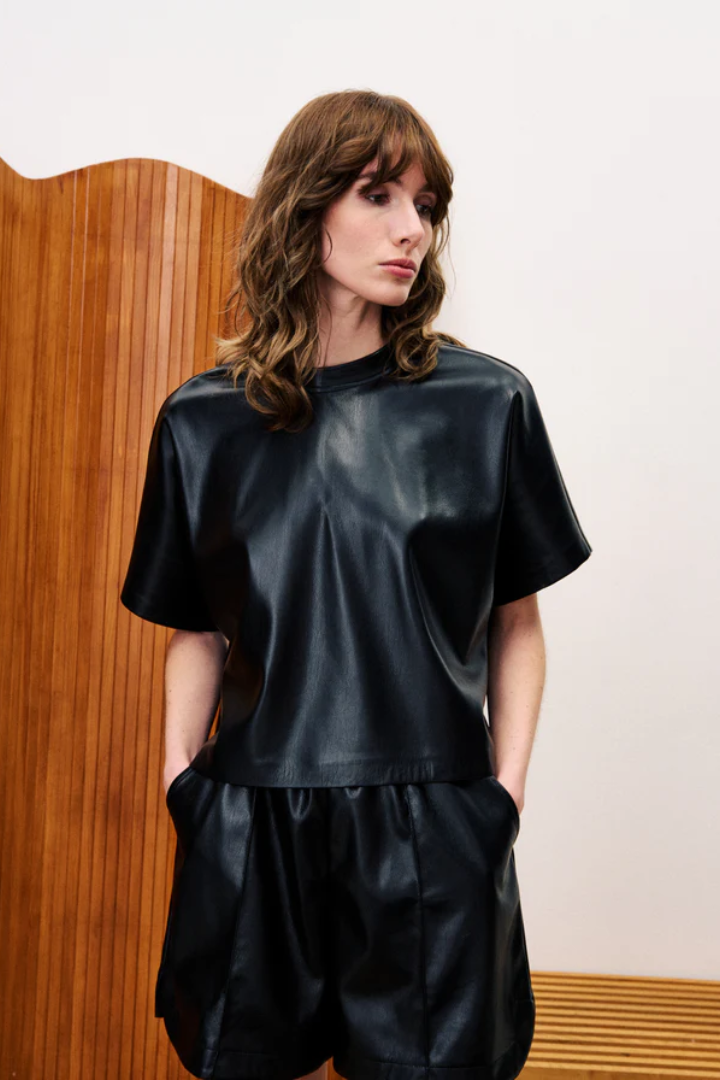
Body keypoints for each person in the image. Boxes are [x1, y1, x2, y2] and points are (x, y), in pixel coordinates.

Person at [121, 89, 592, 1080]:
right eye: (379, 195)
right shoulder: (202, 423)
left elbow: (517, 623)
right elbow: (197, 631)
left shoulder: (486, 405)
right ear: (306, 206)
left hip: (433, 825)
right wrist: (183, 785)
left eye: (426, 205)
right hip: (255, 823)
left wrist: (500, 800)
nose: (411, 229)